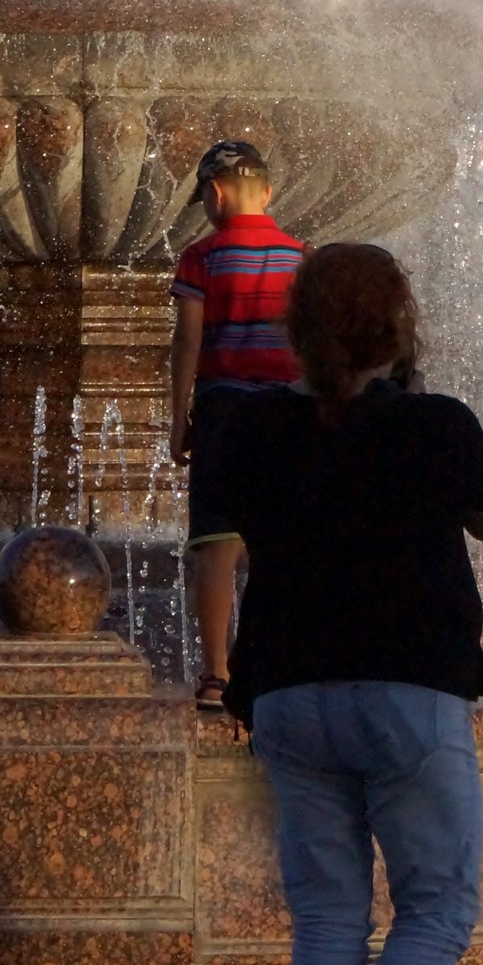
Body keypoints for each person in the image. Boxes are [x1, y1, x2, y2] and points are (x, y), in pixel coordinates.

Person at [209, 241, 483, 965]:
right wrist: (410, 400)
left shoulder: (252, 427)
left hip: (289, 689)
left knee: (327, 919)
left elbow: (224, 534)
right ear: (396, 329)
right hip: (407, 687)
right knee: (436, 909)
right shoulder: (435, 424)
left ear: (297, 331)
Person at [169, 139, 308, 710]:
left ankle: (217, 675)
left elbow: (188, 341)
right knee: (286, 539)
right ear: (268, 193)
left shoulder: (200, 258)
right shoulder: (302, 258)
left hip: (225, 411)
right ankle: (285, 662)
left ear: (214, 193)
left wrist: (178, 417)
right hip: (287, 410)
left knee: (217, 545)